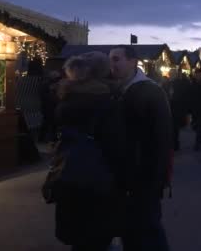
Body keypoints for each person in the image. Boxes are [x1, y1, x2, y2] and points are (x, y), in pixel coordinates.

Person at [53, 53, 125, 251]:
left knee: (79, 237)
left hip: (69, 172)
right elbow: (116, 146)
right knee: (97, 235)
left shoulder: (66, 97)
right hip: (99, 179)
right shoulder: (107, 101)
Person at [109, 46, 172, 251]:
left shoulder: (151, 91)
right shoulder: (118, 89)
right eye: (111, 60)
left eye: (117, 59)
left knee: (149, 228)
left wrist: (157, 178)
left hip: (144, 176)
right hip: (126, 176)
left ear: (133, 61)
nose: (112, 65)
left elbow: (162, 139)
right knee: (132, 229)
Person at [167, 71, 191, 151]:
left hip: (176, 109)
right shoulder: (168, 83)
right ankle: (174, 143)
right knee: (172, 128)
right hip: (170, 108)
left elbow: (182, 96)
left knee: (175, 128)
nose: (170, 76)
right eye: (170, 74)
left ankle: (175, 144)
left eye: (171, 74)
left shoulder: (179, 84)